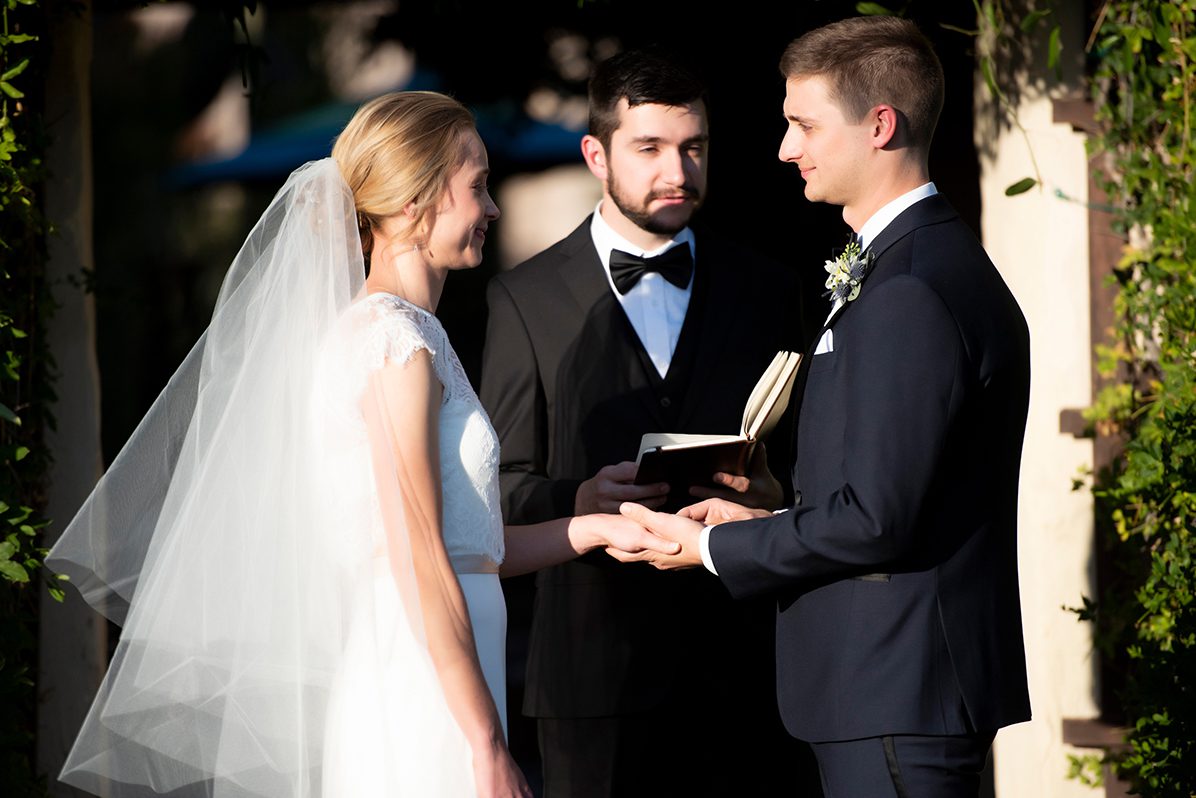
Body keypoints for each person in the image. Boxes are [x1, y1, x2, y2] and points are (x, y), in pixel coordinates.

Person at [46, 91, 677, 798]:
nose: (493, 209)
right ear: (414, 203)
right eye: (477, 187)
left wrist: (591, 527)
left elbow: (465, 549)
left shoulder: (405, 333)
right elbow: (418, 555)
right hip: (419, 684)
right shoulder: (392, 342)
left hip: (440, 666)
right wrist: (485, 743)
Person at [615, 17, 1033, 798]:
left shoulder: (911, 288)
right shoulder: (915, 263)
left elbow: (876, 519)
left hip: (898, 686)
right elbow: (891, 491)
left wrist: (713, 548)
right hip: (893, 686)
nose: (785, 148)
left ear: (880, 126)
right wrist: (768, 515)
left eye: (804, 125)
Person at [479, 51, 811, 797]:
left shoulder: (767, 288)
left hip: (742, 672)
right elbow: (496, 490)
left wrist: (771, 492)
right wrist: (578, 501)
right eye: (650, 148)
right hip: (590, 680)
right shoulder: (525, 298)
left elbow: (807, 468)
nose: (677, 171)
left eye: (694, 147)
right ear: (596, 155)